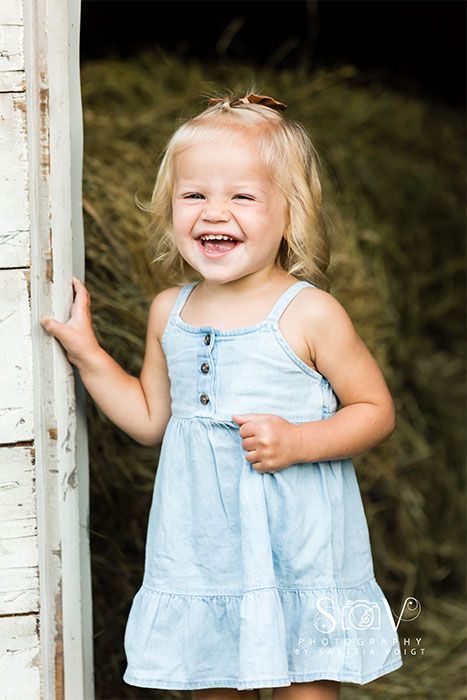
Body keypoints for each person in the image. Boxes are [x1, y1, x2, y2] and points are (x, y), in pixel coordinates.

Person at [40, 89, 404, 699]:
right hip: (202, 550)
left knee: (306, 687)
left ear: (290, 213)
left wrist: (298, 440)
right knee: (210, 681)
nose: (214, 212)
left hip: (298, 552)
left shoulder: (310, 313)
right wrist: (89, 354)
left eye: (242, 196)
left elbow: (375, 411)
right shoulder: (169, 312)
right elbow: (152, 418)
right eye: (194, 195)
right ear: (169, 210)